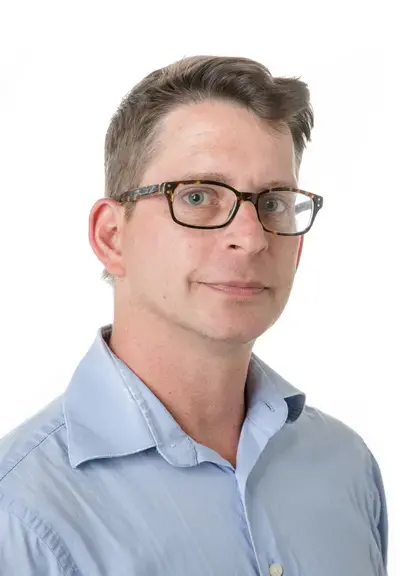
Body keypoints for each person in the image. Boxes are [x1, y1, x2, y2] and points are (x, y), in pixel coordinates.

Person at [0, 55, 388, 576]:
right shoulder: (21, 512)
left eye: (273, 203)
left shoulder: (344, 466)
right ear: (112, 237)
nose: (250, 238)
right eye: (199, 196)